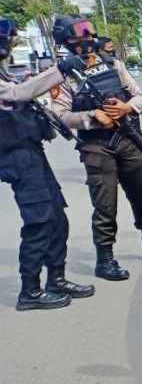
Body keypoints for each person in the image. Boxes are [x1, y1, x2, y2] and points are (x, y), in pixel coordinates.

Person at [49, 14, 142, 281]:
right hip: (96, 146)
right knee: (105, 205)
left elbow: (138, 95)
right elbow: (60, 115)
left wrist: (127, 107)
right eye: (77, 36)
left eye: (87, 33)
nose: (85, 40)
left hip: (127, 138)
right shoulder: (63, 77)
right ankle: (105, 260)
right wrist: (91, 116)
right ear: (67, 43)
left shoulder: (113, 64)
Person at [0, 17, 94, 311]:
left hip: (30, 152)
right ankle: (30, 291)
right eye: (8, 39)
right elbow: (18, 94)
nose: (10, 43)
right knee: (39, 221)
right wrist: (59, 70)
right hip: (16, 157)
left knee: (56, 216)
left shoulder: (3, 73)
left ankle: (56, 278)